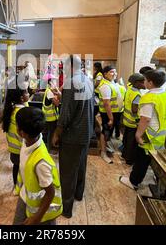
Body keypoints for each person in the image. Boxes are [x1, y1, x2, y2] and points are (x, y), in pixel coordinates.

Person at [119, 70, 166, 190]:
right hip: (165, 135)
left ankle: (134, 182)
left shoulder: (148, 97)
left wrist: (138, 134)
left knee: (141, 160)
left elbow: (145, 119)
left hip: (150, 136)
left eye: (145, 80)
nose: (144, 82)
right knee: (160, 162)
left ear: (150, 83)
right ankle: (160, 184)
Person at [52, 55, 94, 219]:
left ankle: (67, 208)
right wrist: (63, 99)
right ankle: (78, 194)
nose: (62, 69)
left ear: (69, 66)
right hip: (85, 133)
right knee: (81, 166)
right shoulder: (87, 79)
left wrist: (57, 133)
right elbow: (81, 105)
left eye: (63, 66)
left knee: (68, 172)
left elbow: (66, 116)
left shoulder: (70, 83)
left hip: (72, 136)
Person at [13, 107, 63, 225]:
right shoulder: (28, 142)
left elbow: (50, 193)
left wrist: (37, 218)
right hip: (25, 196)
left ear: (22, 132)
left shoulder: (41, 163)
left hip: (43, 213)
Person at [2, 84, 30, 194]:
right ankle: (22, 189)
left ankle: (16, 187)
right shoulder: (23, 114)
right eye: (26, 92)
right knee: (23, 171)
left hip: (13, 150)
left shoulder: (11, 110)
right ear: (22, 98)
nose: (29, 94)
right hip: (22, 150)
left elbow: (25, 107)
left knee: (16, 167)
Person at [97, 66, 121, 163]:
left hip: (114, 112)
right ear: (105, 74)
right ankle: (103, 153)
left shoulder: (112, 83)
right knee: (105, 132)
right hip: (108, 114)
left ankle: (107, 148)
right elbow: (106, 104)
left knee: (109, 133)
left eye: (115, 72)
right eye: (111, 72)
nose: (114, 74)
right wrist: (111, 118)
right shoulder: (105, 86)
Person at [121, 73, 145, 165]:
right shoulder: (137, 94)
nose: (144, 84)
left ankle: (124, 155)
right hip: (133, 122)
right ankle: (129, 160)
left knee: (127, 140)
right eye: (142, 82)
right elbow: (135, 109)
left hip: (127, 120)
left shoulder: (130, 90)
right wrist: (139, 120)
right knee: (132, 143)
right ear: (136, 83)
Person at [41, 75, 60, 151]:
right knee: (50, 134)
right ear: (50, 83)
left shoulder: (49, 90)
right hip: (50, 118)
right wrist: (57, 93)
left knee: (49, 133)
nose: (55, 83)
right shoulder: (49, 92)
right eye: (54, 81)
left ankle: (49, 147)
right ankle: (49, 149)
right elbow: (57, 104)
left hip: (50, 117)